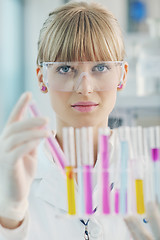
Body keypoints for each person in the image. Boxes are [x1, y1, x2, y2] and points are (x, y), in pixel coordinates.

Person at [0, 1, 160, 240]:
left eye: (101, 67)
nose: (85, 88)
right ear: (42, 78)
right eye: (65, 69)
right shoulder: (15, 176)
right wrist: (9, 217)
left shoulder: (151, 168)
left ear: (122, 75)